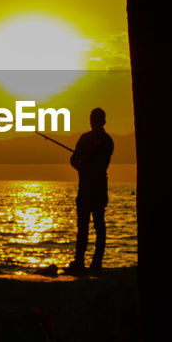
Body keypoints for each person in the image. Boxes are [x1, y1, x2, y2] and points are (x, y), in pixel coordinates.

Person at [66, 107, 113, 274]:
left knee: (95, 226)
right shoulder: (100, 140)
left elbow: (98, 164)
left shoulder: (104, 141)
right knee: (87, 227)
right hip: (90, 190)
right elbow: (73, 160)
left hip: (93, 190)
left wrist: (83, 166)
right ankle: (83, 261)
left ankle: (92, 262)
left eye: (96, 120)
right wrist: (81, 167)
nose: (95, 123)